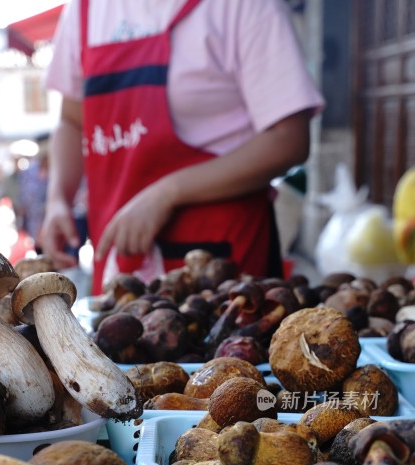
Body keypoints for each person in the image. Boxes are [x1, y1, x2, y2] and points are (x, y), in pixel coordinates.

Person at [41, 0, 325, 296]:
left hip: (228, 270)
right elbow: (72, 121)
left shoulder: (245, 6)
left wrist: (167, 193)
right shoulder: (86, 9)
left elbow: (288, 139)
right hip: (122, 265)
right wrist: (58, 198)